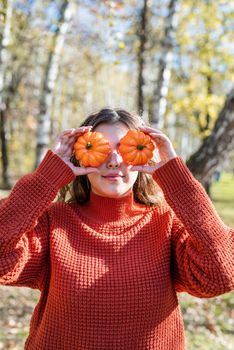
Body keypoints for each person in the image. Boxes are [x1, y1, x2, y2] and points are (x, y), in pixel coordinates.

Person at [0, 108, 233, 350]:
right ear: (80, 156)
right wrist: (45, 179)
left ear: (145, 154)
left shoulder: (166, 223)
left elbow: (222, 273)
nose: (113, 160)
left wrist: (177, 178)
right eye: (99, 148)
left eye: (125, 148)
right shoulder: (53, 222)